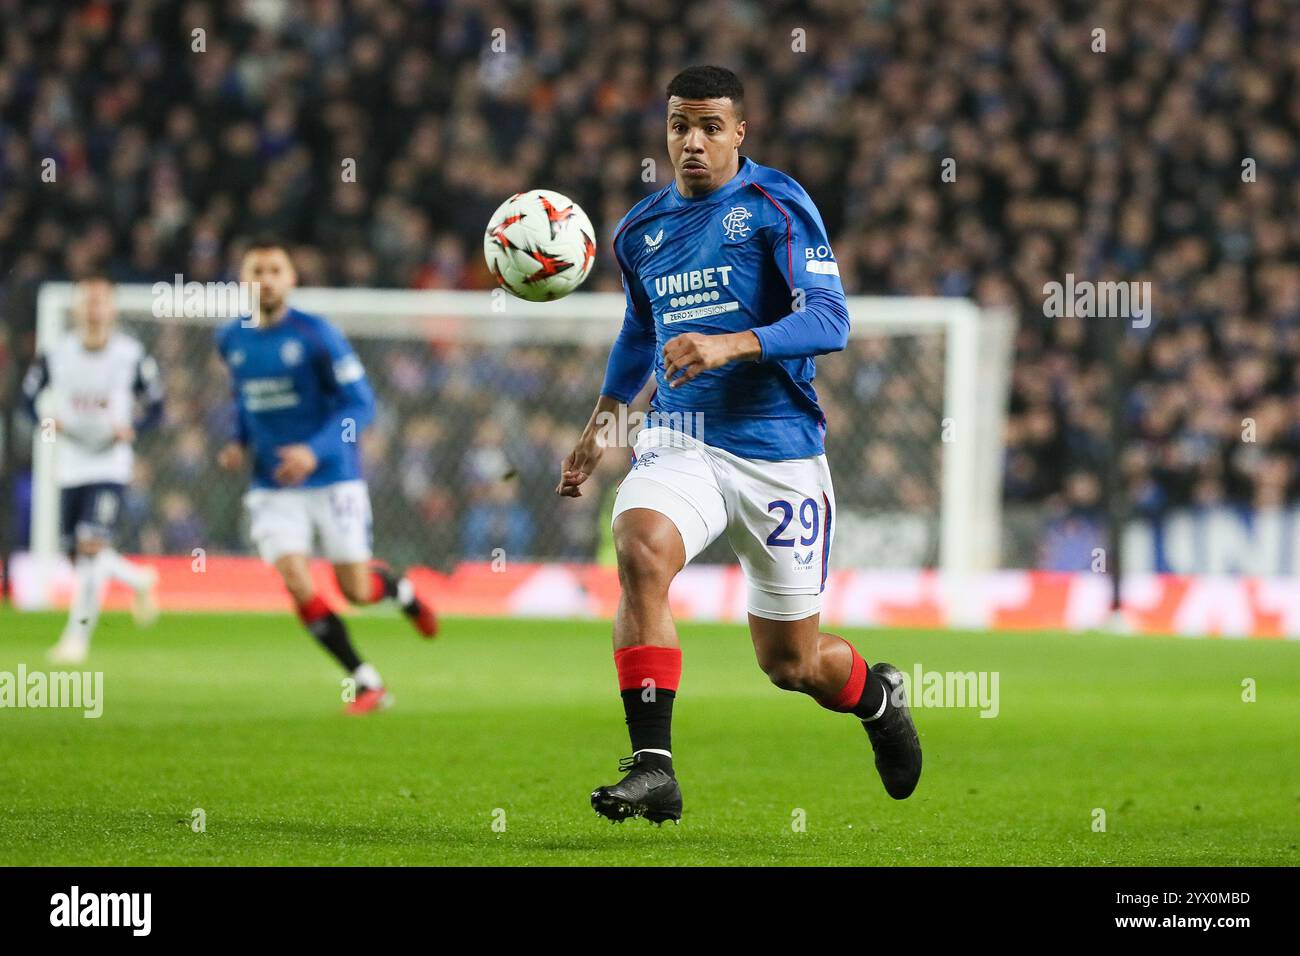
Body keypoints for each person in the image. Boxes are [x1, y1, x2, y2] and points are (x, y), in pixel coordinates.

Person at [557, 66, 922, 823]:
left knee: (791, 665)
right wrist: (603, 427)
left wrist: (733, 345)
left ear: (739, 133)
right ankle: (653, 763)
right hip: (681, 435)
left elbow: (831, 319)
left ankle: (877, 699)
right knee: (640, 547)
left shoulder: (774, 204)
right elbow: (638, 331)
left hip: (779, 452)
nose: (693, 142)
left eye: (710, 127)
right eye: (679, 127)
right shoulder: (639, 231)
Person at [216, 238, 438, 714]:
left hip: (333, 476)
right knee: (297, 582)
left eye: (276, 270)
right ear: (244, 279)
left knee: (355, 591)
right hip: (272, 484)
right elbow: (243, 398)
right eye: (257, 270)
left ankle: (399, 591)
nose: (267, 279)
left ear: (291, 279)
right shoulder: (231, 339)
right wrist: (237, 442)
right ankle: (365, 680)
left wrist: (315, 452)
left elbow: (362, 404)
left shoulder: (317, 335)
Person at [22, 277, 163, 664]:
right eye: (88, 302)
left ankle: (76, 641)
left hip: (109, 464)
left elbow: (156, 406)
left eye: (101, 302)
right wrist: (52, 428)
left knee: (90, 545)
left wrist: (133, 429)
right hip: (70, 463)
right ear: (77, 309)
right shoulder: (56, 353)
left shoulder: (130, 354)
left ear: (113, 309)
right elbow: (28, 403)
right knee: (78, 555)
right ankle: (138, 579)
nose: (94, 309)